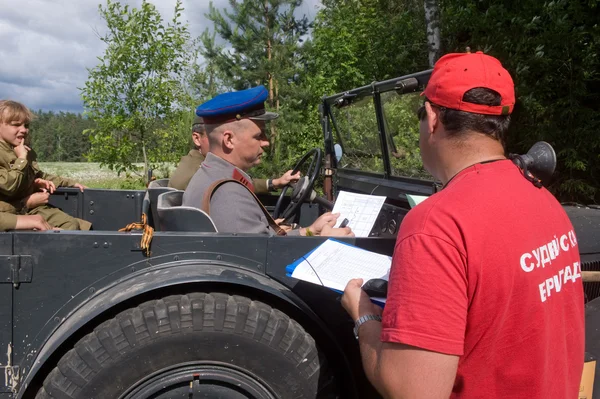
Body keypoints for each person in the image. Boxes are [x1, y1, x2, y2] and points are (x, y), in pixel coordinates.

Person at [341, 52, 584, 398]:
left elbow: (413, 390)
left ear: (432, 117)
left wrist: (362, 313)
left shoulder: (435, 225)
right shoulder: (544, 199)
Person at [183, 85, 353, 237]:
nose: (266, 142)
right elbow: (264, 258)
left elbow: (265, 242)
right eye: (258, 136)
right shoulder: (229, 193)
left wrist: (310, 231)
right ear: (229, 140)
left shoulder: (211, 175)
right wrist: (325, 241)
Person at [0, 100, 91, 230]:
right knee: (63, 232)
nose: (23, 130)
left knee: (72, 224)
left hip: (29, 207)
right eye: (16, 125)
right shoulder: (20, 153)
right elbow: (8, 185)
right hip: (8, 212)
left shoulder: (21, 149)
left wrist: (70, 183)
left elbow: (38, 174)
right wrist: (21, 159)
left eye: (26, 125)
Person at [169, 115, 300, 193]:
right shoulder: (196, 176)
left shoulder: (205, 167)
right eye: (214, 136)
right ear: (197, 139)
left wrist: (275, 183)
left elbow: (240, 181)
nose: (224, 142)